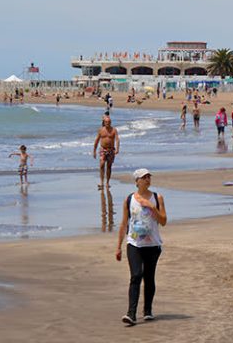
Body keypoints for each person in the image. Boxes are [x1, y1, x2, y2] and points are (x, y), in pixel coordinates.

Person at [116, 168, 167, 326]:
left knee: (149, 278)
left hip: (152, 245)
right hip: (134, 244)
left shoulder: (157, 198)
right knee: (136, 275)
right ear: (137, 181)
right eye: (144, 177)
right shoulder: (129, 199)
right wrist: (118, 246)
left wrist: (151, 207)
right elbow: (124, 224)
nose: (147, 179)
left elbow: (164, 221)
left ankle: (148, 311)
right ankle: (131, 314)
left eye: (148, 177)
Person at [93, 116, 120, 190]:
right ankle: (101, 182)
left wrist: (117, 149)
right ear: (104, 123)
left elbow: (117, 140)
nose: (108, 123)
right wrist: (94, 151)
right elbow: (97, 140)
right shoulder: (101, 130)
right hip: (103, 149)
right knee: (102, 164)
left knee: (109, 166)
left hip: (111, 150)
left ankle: (107, 182)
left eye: (109, 122)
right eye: (107, 122)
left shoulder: (114, 130)